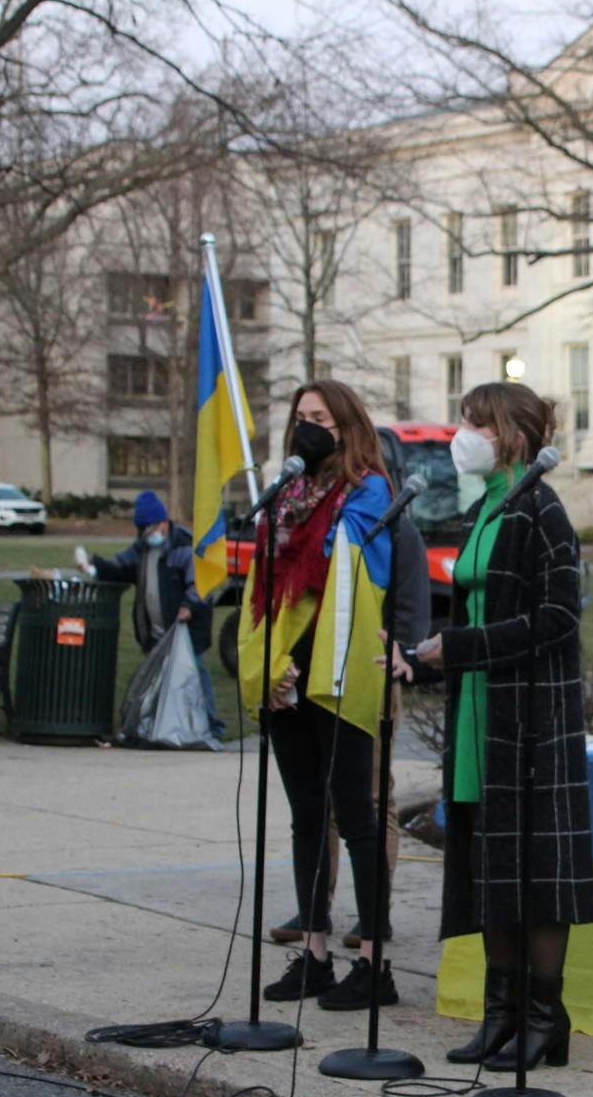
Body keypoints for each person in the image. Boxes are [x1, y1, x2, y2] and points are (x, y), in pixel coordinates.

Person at [392, 381, 593, 1070]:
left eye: (474, 422)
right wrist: (428, 653)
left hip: (531, 724)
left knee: (535, 874)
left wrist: (466, 648)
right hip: (480, 717)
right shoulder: (488, 508)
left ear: (511, 431)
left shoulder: (541, 508)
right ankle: (499, 1014)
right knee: (491, 870)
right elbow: (474, 609)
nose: (461, 434)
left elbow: (560, 616)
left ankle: (545, 1016)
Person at [241, 380, 398, 1012]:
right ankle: (314, 953)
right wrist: (272, 666)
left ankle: (374, 963)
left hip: (338, 666)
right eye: (301, 418)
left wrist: (312, 519)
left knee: (355, 816)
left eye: (322, 420)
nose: (309, 428)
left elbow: (353, 568)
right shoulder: (285, 498)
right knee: (307, 815)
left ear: (348, 426)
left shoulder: (368, 492)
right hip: (287, 672)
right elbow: (267, 590)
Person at [269, 477, 428, 950]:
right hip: (313, 679)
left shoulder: (387, 518)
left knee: (371, 797)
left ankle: (372, 916)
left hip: (366, 671)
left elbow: (411, 595)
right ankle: (316, 907)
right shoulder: (300, 516)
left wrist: (401, 654)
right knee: (321, 803)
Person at [85, 491, 223, 741]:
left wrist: (189, 605)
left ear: (163, 523)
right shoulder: (141, 550)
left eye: (150, 529)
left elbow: (201, 584)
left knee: (196, 675)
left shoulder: (184, 546)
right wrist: (95, 566)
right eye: (143, 531)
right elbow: (120, 568)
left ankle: (211, 726)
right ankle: (159, 725)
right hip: (156, 631)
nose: (148, 535)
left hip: (186, 629)